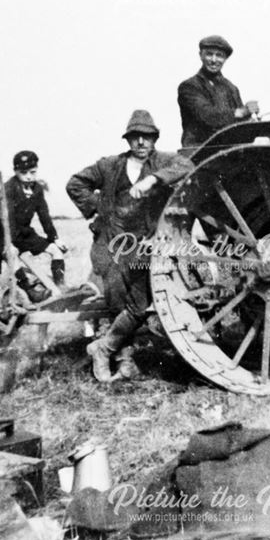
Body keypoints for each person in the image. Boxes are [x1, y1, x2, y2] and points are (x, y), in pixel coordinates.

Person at [66, 110, 194, 382]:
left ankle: (102, 348)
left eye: (146, 137)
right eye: (135, 137)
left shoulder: (164, 161)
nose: (141, 143)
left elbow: (188, 166)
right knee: (116, 301)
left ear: (154, 138)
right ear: (128, 140)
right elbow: (75, 183)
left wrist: (154, 179)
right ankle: (125, 361)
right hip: (111, 243)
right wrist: (98, 208)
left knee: (139, 304)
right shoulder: (109, 165)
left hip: (143, 244)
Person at [0, 150, 68, 301]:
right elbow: (8, 219)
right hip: (1, 232)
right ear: (16, 171)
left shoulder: (37, 189)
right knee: (13, 254)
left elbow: (44, 215)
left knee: (56, 250)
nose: (29, 176)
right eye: (24, 173)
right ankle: (30, 290)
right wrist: (9, 244)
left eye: (32, 172)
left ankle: (60, 287)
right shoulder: (8, 189)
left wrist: (54, 238)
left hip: (23, 231)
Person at [177, 34, 258, 150]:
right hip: (198, 152)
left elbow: (239, 126)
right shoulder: (189, 86)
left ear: (225, 59)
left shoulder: (232, 89)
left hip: (228, 151)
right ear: (201, 55)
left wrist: (251, 118)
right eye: (209, 54)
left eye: (219, 56)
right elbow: (207, 116)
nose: (214, 60)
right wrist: (241, 112)